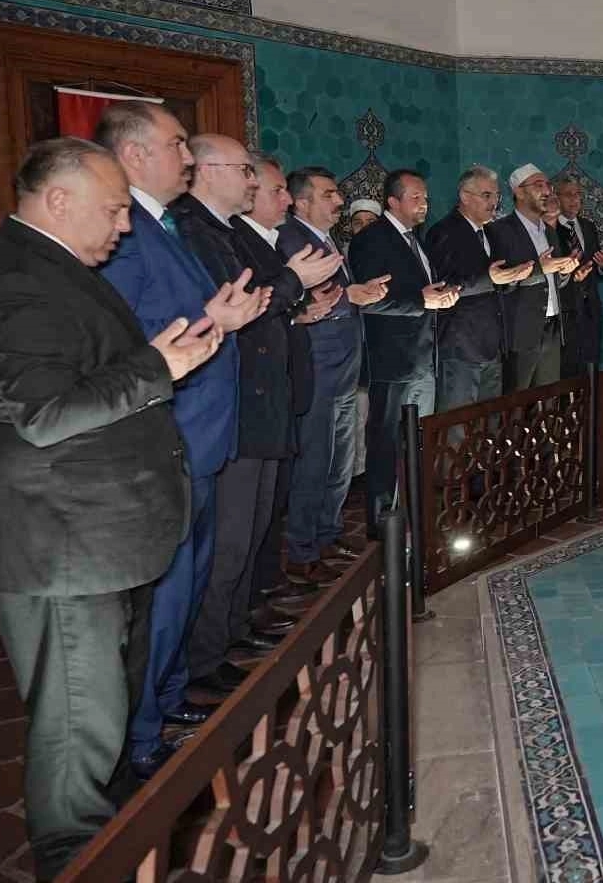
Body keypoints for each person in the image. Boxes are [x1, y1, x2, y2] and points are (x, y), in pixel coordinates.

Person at [0, 138, 222, 879]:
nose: (124, 226)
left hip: (92, 533)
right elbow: (46, 413)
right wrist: (158, 365)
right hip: (59, 541)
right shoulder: (18, 283)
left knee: (102, 710)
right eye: (113, 210)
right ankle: (77, 858)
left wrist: (154, 361)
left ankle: (116, 831)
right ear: (59, 200)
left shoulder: (49, 266)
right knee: (78, 719)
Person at [95, 101, 267, 780]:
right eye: (177, 145)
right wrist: (215, 318)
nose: (187, 157)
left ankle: (166, 701)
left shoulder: (165, 225)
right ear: (135, 154)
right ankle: (140, 736)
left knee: (187, 584)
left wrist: (220, 317)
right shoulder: (127, 233)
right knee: (162, 597)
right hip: (171, 434)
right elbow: (126, 337)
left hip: (202, 432)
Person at [172, 137, 340, 696]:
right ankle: (204, 657)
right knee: (227, 541)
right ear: (207, 171)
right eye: (245, 171)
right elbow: (233, 310)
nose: (251, 181)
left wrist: (296, 299)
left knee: (250, 533)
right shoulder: (195, 231)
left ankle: (232, 630)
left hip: (260, 399)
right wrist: (294, 284)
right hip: (234, 406)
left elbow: (262, 305)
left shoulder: (222, 231)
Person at [279, 167, 389, 577]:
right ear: (301, 202)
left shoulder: (327, 240)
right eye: (329, 195)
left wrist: (361, 293)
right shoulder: (291, 239)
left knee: (340, 461)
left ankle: (328, 533)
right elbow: (302, 299)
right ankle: (303, 550)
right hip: (318, 367)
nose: (339, 201)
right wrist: (350, 297)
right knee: (314, 461)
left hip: (344, 368)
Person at [348, 169, 459, 531]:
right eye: (416, 197)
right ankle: (384, 525)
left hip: (423, 357)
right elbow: (369, 300)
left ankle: (410, 515)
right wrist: (421, 301)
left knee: (414, 440)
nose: (424, 204)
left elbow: (421, 292)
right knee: (385, 442)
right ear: (392, 201)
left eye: (425, 197)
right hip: (392, 361)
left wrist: (441, 294)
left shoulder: (416, 239)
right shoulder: (371, 239)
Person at [427, 166, 528, 407]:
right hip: (460, 348)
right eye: (486, 195)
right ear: (465, 196)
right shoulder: (443, 232)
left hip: (493, 345)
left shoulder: (491, 232)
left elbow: (498, 280)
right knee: (458, 423)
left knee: (488, 422)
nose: (494, 202)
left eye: (496, 196)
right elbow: (444, 286)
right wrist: (491, 279)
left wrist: (513, 277)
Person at [488, 164, 579, 389]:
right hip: (521, 333)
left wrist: (565, 272)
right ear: (519, 192)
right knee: (517, 401)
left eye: (548, 185)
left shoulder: (549, 231)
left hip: (553, 328)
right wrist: (540, 269)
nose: (547, 191)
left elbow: (554, 279)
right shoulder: (499, 231)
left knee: (548, 400)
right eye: (539, 185)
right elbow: (500, 283)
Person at [554, 173, 603, 376]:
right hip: (566, 308)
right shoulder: (549, 228)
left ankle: (590, 396)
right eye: (568, 194)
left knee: (590, 364)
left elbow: (595, 264)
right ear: (556, 197)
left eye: (577, 194)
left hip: (590, 307)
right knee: (567, 367)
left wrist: (602, 265)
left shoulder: (587, 226)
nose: (574, 199)